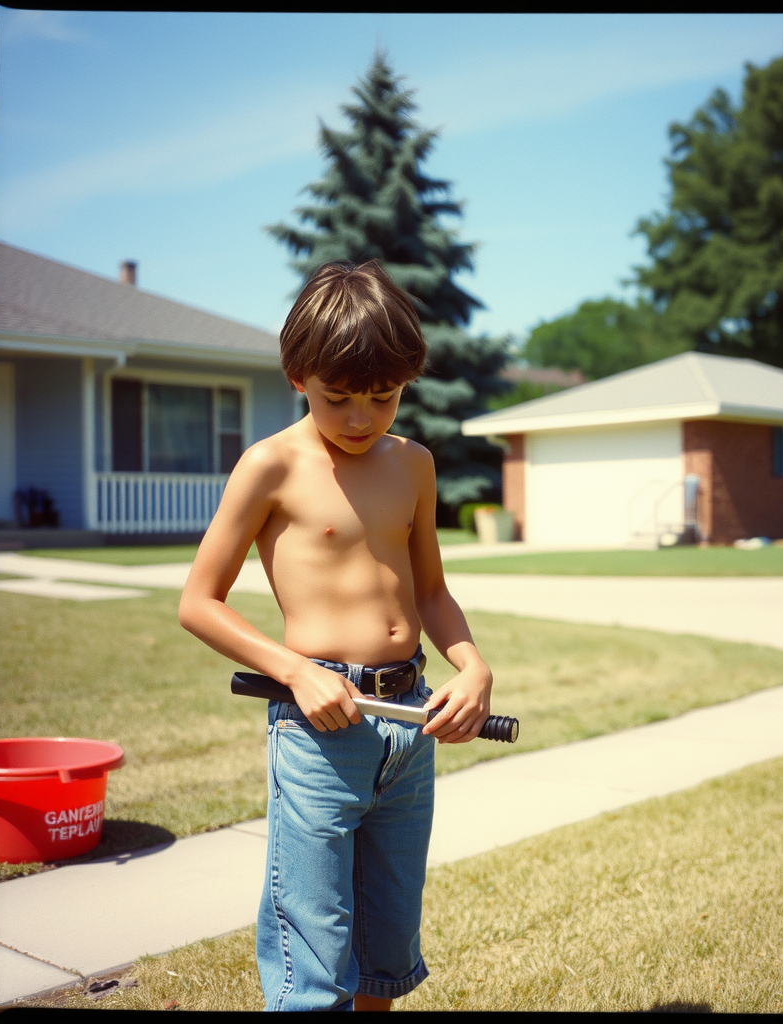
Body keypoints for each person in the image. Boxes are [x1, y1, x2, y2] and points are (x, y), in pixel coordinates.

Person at [177, 260, 494, 1012]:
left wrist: (473, 666)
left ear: (407, 382)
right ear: (297, 375)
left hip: (408, 722)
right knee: (313, 951)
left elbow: (431, 591)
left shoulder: (413, 463)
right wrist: (294, 671)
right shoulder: (271, 466)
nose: (360, 417)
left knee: (386, 946)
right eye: (338, 398)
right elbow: (198, 601)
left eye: (382, 398)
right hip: (319, 730)